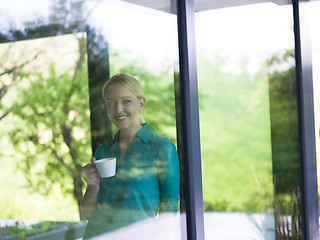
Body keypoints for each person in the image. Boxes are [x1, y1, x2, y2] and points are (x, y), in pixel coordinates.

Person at [80, 73, 180, 239]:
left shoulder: (161, 147)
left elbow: (168, 211)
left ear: (141, 103)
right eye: (110, 102)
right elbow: (89, 213)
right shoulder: (103, 151)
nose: (118, 109)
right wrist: (92, 184)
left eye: (126, 101)